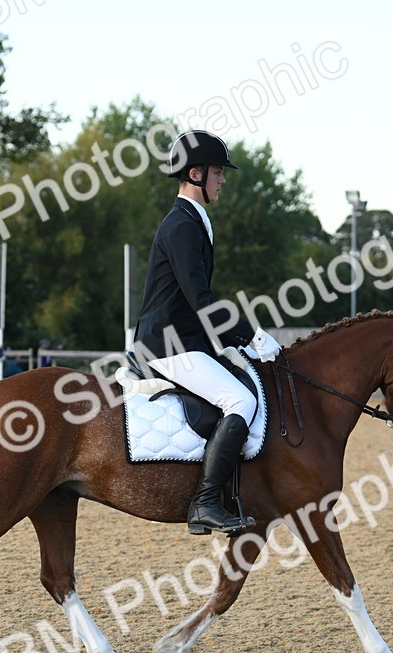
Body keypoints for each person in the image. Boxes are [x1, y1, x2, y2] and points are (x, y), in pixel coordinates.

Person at [133, 130, 281, 536]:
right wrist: (249, 334)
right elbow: (200, 297)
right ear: (195, 173)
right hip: (166, 344)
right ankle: (205, 504)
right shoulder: (181, 225)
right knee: (240, 400)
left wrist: (229, 340)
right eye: (218, 172)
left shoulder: (194, 221)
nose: (223, 180)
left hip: (184, 339)